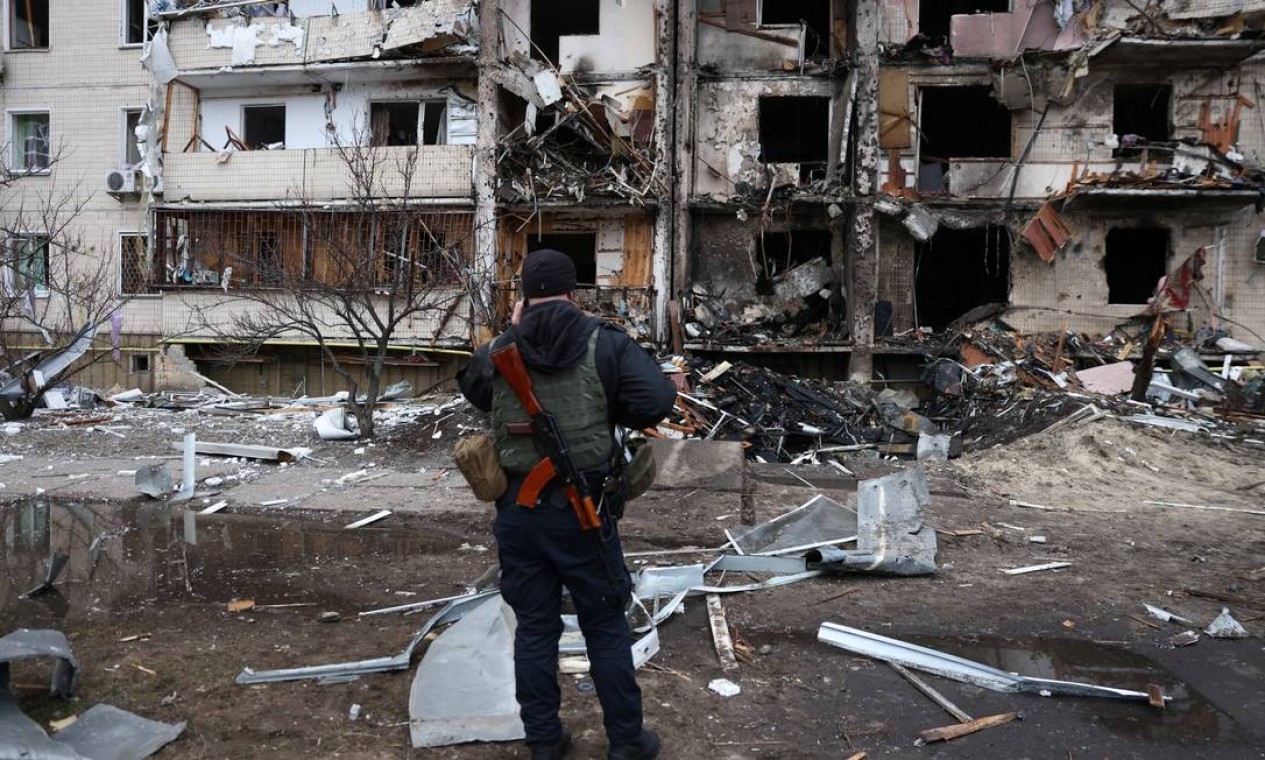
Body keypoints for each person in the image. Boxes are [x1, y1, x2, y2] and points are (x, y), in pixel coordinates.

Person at [458, 249, 675, 760]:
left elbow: (475, 391)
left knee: (535, 629)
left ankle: (543, 741)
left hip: (518, 513)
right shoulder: (604, 343)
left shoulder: (500, 351)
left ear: (523, 298)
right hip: (585, 512)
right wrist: (609, 402)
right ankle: (626, 743)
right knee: (604, 625)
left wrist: (511, 332)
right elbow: (658, 402)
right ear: (574, 292)